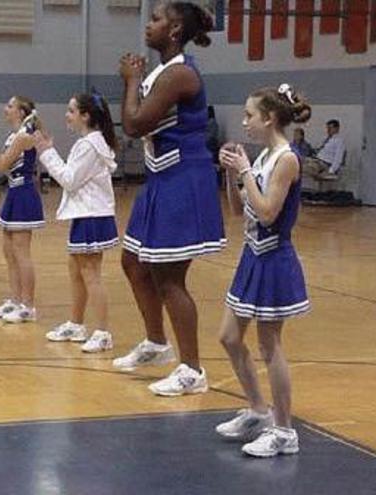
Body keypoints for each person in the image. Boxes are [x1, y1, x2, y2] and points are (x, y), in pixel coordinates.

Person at [113, 1, 226, 396]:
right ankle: (157, 343)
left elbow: (134, 123)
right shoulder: (163, 71)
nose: (149, 24)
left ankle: (192, 370)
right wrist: (134, 81)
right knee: (133, 263)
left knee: (169, 277)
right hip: (160, 176)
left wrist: (129, 81)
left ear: (175, 30)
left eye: (157, 19)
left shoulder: (179, 74)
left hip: (183, 177)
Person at [217, 83, 311, 458]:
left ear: (269, 118)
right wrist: (231, 173)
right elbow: (241, 210)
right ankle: (258, 409)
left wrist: (245, 173)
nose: (245, 122)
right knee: (228, 336)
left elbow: (269, 212)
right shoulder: (262, 158)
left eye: (249, 115)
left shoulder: (286, 159)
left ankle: (285, 430)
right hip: (251, 255)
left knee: (269, 345)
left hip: (274, 258)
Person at [34, 92, 119, 352]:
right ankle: (77, 323)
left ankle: (103, 332)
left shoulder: (89, 145)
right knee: (76, 271)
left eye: (71, 111)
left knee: (90, 274)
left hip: (91, 215)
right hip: (86, 214)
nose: (66, 115)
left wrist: (47, 153)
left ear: (86, 116)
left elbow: (69, 179)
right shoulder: (91, 142)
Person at [0, 96, 45, 323]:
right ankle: (16, 300)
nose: (5, 109)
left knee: (21, 253)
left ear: (22, 112)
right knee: (9, 251)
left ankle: (28, 306)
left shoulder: (23, 137)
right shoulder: (15, 135)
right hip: (14, 191)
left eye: (10, 106)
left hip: (24, 194)